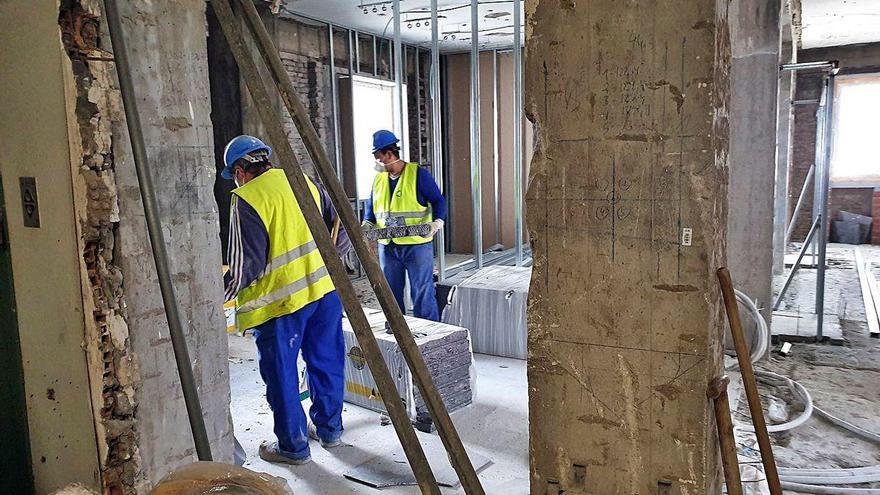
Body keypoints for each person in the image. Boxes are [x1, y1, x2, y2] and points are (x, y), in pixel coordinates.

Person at [222, 135, 350, 465]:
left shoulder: (247, 198)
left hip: (281, 306)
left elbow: (243, 267)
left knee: (283, 375)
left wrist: (212, 299)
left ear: (240, 171)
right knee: (327, 362)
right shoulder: (302, 180)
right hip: (324, 293)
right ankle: (330, 430)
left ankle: (294, 448)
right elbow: (342, 226)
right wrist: (327, 262)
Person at [362, 130, 446, 321]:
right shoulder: (379, 180)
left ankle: (428, 331)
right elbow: (371, 209)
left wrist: (437, 221)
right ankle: (396, 331)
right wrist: (366, 226)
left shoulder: (418, 175)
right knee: (390, 293)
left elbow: (438, 200)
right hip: (388, 247)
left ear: (389, 154)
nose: (378, 163)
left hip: (416, 245)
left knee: (422, 291)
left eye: (378, 158)